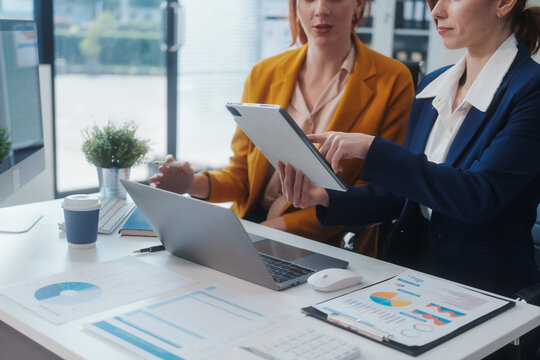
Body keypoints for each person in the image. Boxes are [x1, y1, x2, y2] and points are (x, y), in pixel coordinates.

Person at [278, 0, 540, 299]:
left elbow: (479, 195)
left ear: (503, 3)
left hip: (486, 289)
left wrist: (373, 148)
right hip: (408, 272)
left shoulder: (531, 90)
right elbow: (408, 194)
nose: (436, 11)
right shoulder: (434, 85)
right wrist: (323, 197)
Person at [149, 0, 414, 256]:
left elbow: (376, 195)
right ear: (295, 6)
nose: (321, 9)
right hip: (249, 231)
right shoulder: (264, 73)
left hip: (326, 244)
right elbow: (242, 176)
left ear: (358, 5)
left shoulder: (392, 80)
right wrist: (191, 183)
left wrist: (263, 233)